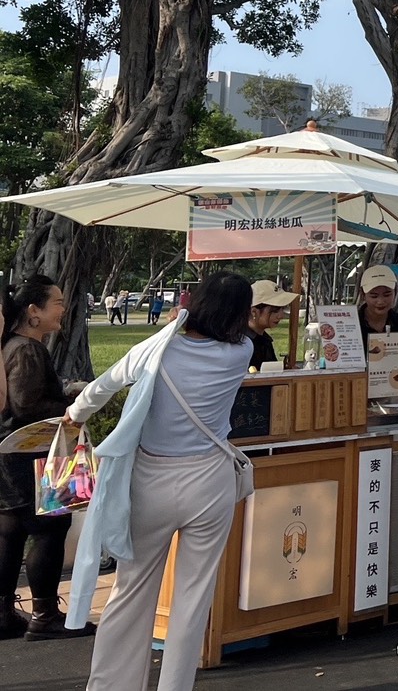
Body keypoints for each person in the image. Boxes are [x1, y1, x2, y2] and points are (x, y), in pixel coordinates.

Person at [64, 272, 255, 687]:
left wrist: (75, 414)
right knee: (193, 598)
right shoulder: (242, 351)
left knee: (131, 592)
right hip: (211, 480)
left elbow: (104, 386)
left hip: (151, 480)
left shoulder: (154, 351)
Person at [0, 276, 88, 642]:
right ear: (33, 311)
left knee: (10, 531)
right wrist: (74, 404)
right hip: (34, 454)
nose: (63, 310)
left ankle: (4, 614)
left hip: (10, 455)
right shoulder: (28, 349)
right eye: (58, 303)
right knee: (50, 529)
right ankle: (44, 615)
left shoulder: (13, 345)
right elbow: (26, 406)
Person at [359, 264, 398, 406]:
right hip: (357, 398)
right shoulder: (352, 324)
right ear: (363, 295)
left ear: (395, 292)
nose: (381, 301)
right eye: (374, 296)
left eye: (387, 294)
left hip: (394, 400)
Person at [246, 279, 298, 369]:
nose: (281, 316)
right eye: (275, 310)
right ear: (254, 312)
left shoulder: (264, 340)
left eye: (282, 308)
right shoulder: (241, 343)